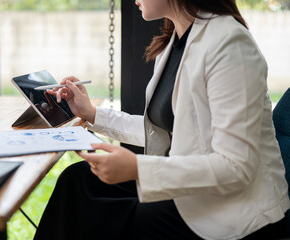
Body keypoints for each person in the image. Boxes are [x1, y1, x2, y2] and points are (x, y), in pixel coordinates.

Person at [34, 0, 290, 239]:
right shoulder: (176, 42)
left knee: (112, 218)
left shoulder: (230, 44)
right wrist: (91, 113)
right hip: (191, 186)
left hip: (235, 210)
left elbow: (237, 167)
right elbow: (165, 131)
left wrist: (138, 168)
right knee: (77, 181)